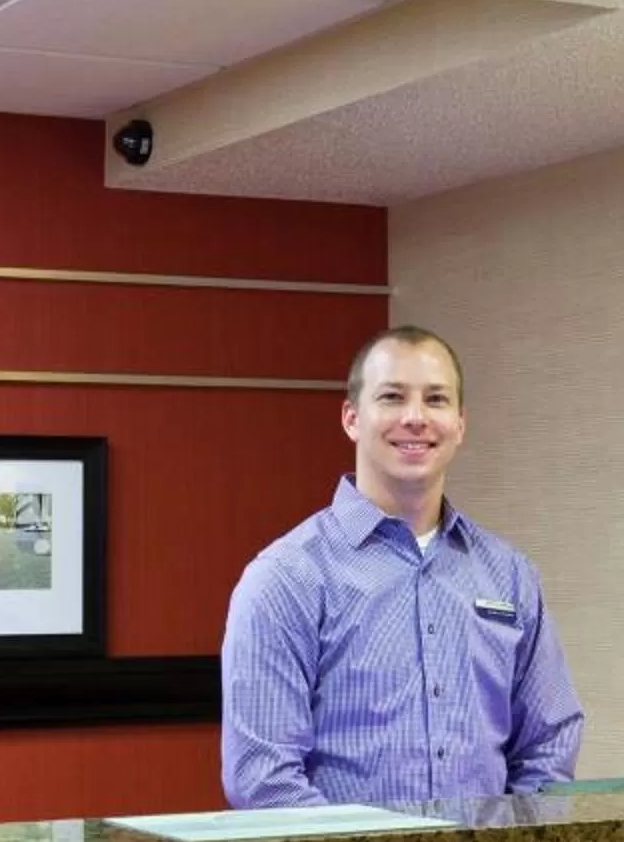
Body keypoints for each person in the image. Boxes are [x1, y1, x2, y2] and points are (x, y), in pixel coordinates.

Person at [220, 326, 583, 807]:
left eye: (436, 399)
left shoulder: (510, 575)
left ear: (459, 422)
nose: (416, 418)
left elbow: (549, 747)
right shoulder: (286, 578)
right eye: (392, 397)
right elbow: (262, 778)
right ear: (352, 418)